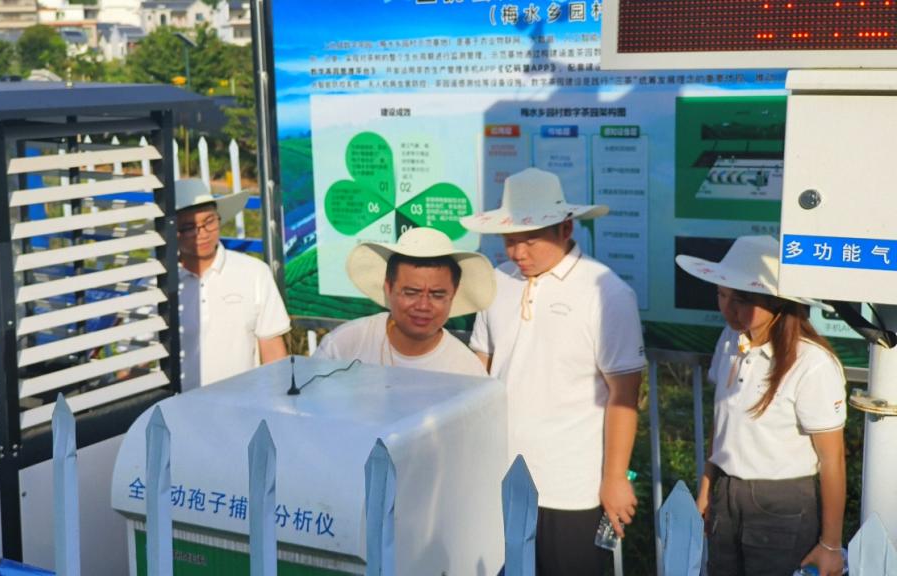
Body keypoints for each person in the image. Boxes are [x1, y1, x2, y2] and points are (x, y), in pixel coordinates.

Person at [461, 167, 646, 575]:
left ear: (565, 229)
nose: (517, 252)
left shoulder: (606, 291)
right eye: (510, 239)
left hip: (571, 486)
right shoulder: (496, 282)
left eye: (530, 240)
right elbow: (480, 367)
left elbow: (624, 393)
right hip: (500, 476)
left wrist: (615, 477)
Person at [677, 235, 847, 576]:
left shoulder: (812, 362)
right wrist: (707, 490)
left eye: (742, 300)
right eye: (722, 295)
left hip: (782, 502)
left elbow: (832, 459)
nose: (728, 309)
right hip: (727, 491)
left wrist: (830, 544)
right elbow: (722, 424)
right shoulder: (730, 339)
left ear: (777, 302)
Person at [314, 227, 494, 377]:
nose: (423, 306)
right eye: (411, 293)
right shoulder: (344, 346)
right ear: (388, 287)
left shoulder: (466, 370)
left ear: (453, 294)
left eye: (437, 295)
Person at [175, 178, 289, 389]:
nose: (202, 233)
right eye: (189, 227)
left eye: (209, 222)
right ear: (173, 232)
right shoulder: (157, 286)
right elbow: (137, 360)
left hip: (245, 403)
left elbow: (273, 352)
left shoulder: (254, 272)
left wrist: (280, 400)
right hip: (177, 405)